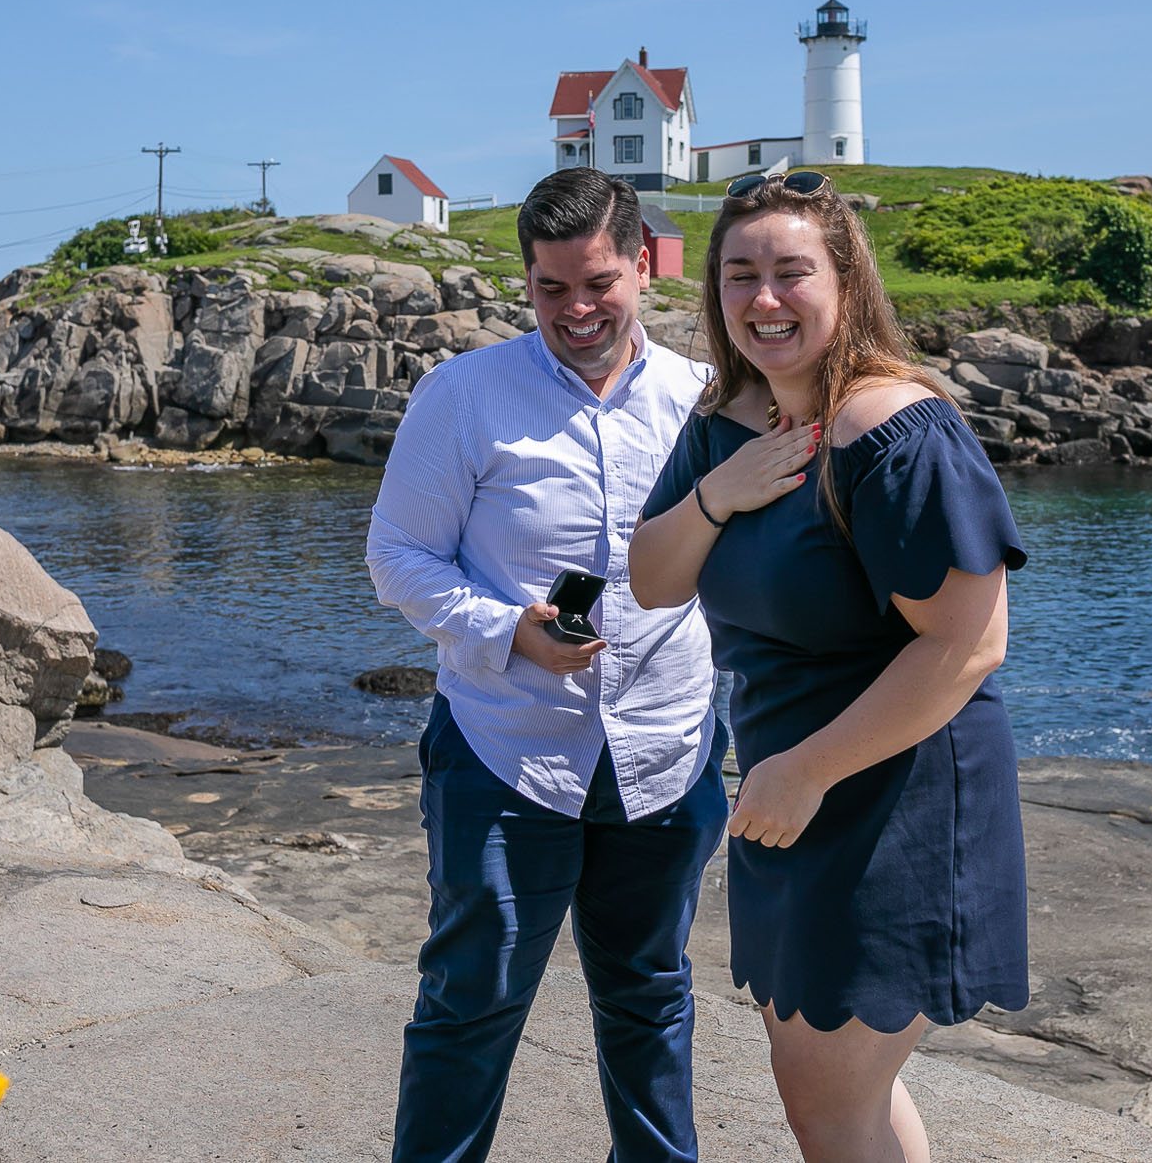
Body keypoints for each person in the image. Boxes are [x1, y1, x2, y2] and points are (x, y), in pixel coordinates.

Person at [629, 170, 1028, 1163]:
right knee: (830, 1094)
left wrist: (807, 770)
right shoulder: (728, 419)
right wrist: (718, 494)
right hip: (787, 793)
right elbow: (649, 578)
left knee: (830, 1097)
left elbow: (969, 642)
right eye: (739, 274)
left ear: (844, 282)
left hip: (889, 793)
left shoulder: (890, 431)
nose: (763, 299)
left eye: (790, 272)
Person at [365, 168, 726, 1163]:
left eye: (597, 283)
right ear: (524, 280)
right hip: (502, 749)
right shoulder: (463, 395)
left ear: (644, 266)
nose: (575, 309)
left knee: (650, 998)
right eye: (550, 288)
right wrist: (505, 628)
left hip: (669, 749)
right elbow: (397, 557)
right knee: (469, 1002)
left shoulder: (705, 401)